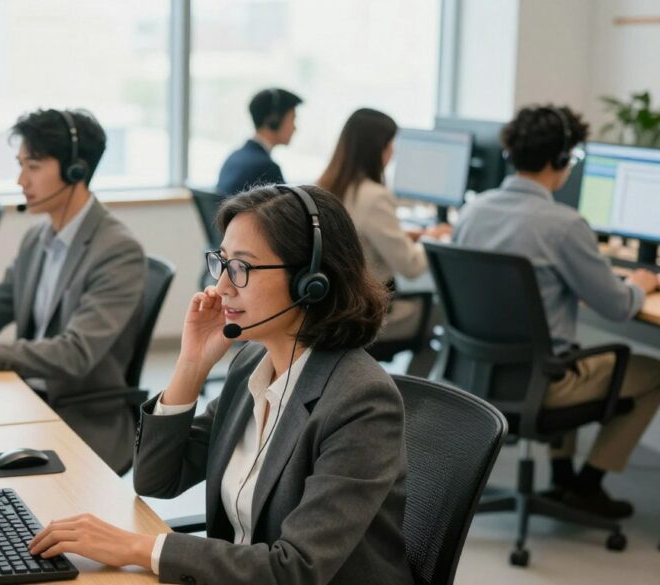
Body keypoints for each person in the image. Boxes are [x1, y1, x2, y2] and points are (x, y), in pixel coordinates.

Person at [28, 184, 414, 585]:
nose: (222, 287)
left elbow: (296, 569)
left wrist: (140, 548)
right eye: (222, 263)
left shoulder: (361, 403)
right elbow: (157, 479)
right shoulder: (251, 366)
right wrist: (191, 365)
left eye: (242, 268)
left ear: (310, 282)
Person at [454, 104, 660, 519]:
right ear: (562, 159)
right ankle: (586, 484)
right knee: (653, 372)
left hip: (476, 374)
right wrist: (640, 284)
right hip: (543, 384)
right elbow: (618, 307)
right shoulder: (564, 225)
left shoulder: (473, 210)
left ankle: (563, 479)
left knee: (561, 342)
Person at [0, 108, 145, 473]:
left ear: (76, 170)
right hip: (28, 398)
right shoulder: (38, 238)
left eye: (34, 167)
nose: (21, 180)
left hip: (82, 414)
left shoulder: (117, 250)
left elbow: (74, 354)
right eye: (20, 165)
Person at [318, 108, 449, 363]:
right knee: (441, 312)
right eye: (391, 145)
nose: (393, 153)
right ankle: (420, 398)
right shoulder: (374, 196)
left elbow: (359, 237)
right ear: (377, 149)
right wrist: (434, 241)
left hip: (332, 309)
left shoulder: (324, 187)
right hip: (368, 314)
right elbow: (410, 266)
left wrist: (412, 236)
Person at [216, 88, 303, 196]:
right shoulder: (266, 168)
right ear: (273, 120)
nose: (295, 127)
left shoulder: (234, 157)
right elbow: (286, 212)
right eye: (292, 119)